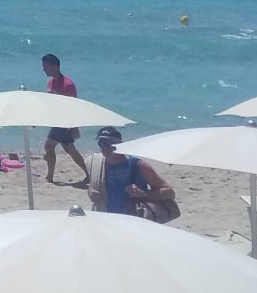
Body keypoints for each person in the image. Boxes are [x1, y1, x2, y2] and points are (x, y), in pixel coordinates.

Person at [85, 127, 175, 220]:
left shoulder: (137, 165)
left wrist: (143, 193)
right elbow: (91, 187)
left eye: (108, 143)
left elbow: (169, 193)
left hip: (133, 219)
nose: (104, 147)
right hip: (106, 218)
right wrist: (91, 193)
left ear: (119, 143)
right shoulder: (96, 164)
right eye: (101, 143)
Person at [41, 53, 90, 183]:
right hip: (57, 121)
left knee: (49, 145)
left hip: (65, 122)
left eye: (46, 66)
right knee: (69, 149)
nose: (43, 69)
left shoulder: (67, 84)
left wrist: (74, 127)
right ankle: (89, 173)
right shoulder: (51, 82)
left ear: (55, 66)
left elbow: (73, 106)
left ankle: (50, 176)